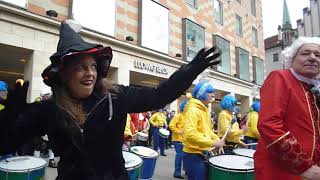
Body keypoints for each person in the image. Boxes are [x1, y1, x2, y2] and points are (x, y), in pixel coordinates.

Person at [0, 19, 222, 180]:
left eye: (93, 66)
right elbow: (6, 143)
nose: (90, 73)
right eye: (80, 68)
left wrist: (192, 69)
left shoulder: (116, 96)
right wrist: (8, 119)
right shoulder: (51, 108)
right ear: (64, 75)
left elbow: (159, 95)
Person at [255, 37, 320, 180]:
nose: (312, 58)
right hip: (281, 173)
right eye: (305, 53)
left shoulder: (314, 88)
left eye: (318, 54)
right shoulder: (280, 77)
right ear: (292, 58)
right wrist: (303, 166)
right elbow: (269, 124)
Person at [182, 81, 224, 180]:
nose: (213, 95)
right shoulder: (193, 109)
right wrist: (213, 143)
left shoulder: (203, 110)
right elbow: (190, 134)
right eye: (210, 92)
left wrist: (217, 139)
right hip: (192, 154)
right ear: (202, 94)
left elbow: (207, 131)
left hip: (201, 152)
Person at [169, 99, 188, 179]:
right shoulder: (178, 116)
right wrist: (179, 132)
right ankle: (177, 173)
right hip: (178, 140)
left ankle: (187, 171)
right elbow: (171, 125)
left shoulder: (188, 117)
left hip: (185, 141)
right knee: (179, 156)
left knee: (186, 156)